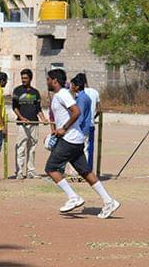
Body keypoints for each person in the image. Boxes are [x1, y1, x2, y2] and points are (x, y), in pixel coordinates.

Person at [45, 69, 120, 219]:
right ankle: (109, 201)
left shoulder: (63, 94)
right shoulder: (61, 95)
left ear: (54, 81)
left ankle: (73, 197)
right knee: (85, 172)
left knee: (51, 168)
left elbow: (76, 112)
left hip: (70, 139)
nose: (46, 82)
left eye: (48, 79)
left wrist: (63, 129)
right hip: (76, 139)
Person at [12, 69, 47, 179]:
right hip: (22, 125)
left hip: (34, 123)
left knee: (32, 148)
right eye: (22, 78)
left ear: (30, 79)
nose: (23, 80)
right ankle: (19, 171)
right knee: (21, 147)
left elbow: (38, 109)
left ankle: (31, 170)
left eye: (25, 78)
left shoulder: (35, 92)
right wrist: (21, 118)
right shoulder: (17, 91)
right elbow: (15, 107)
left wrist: (43, 119)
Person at [77, 73, 101, 167]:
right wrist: (93, 117)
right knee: (89, 148)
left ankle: (79, 170)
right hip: (91, 124)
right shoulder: (95, 92)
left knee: (79, 148)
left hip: (81, 125)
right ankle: (89, 169)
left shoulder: (79, 94)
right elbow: (99, 110)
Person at [70, 74, 93, 171]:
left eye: (72, 85)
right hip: (85, 128)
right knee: (83, 149)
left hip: (81, 129)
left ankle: (79, 172)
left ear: (77, 86)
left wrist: (73, 127)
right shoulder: (85, 97)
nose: (71, 87)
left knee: (78, 150)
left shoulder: (82, 98)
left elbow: (80, 115)